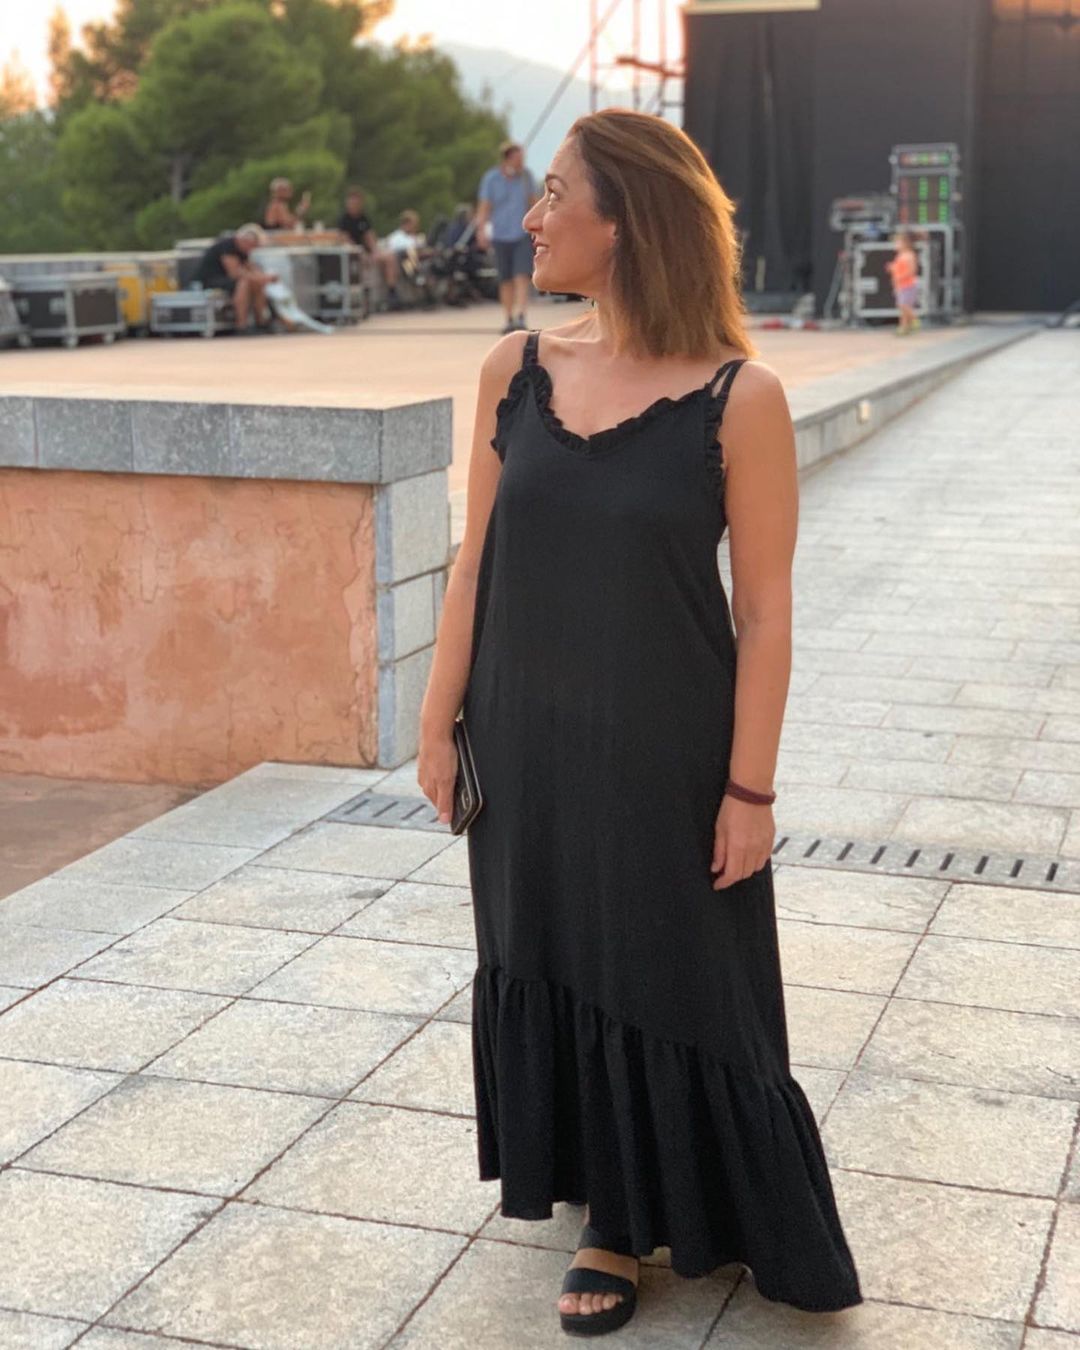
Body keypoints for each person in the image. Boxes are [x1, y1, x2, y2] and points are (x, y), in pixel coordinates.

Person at [417, 107, 863, 1336]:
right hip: (523, 737)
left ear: (628, 223)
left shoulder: (740, 397)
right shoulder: (514, 369)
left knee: (665, 972)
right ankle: (597, 1193)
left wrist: (750, 790)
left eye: (557, 194)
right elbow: (474, 562)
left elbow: (764, 614)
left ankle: (635, 1217)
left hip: (666, 749)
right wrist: (437, 721)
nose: (531, 216)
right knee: (549, 951)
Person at [476, 140, 540, 333]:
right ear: (507, 159)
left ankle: (521, 316)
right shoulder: (491, 179)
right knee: (505, 279)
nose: (521, 163)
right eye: (518, 159)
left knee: (521, 275)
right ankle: (509, 318)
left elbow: (534, 203)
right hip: (500, 235)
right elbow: (484, 207)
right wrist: (481, 230)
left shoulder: (526, 177)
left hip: (521, 234)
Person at [192, 224, 277, 332]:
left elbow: (251, 268)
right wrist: (260, 278)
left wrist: (263, 277)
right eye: (252, 246)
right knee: (244, 283)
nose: (251, 249)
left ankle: (261, 322)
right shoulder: (228, 246)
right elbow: (235, 273)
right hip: (209, 280)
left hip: (225, 280)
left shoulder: (243, 250)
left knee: (256, 283)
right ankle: (241, 325)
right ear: (244, 240)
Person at [337, 185, 400, 302]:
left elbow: (369, 236)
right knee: (362, 261)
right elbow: (345, 239)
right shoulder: (344, 220)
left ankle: (392, 291)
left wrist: (375, 251)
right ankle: (364, 296)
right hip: (354, 252)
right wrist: (361, 252)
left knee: (390, 257)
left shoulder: (363, 218)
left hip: (367, 251)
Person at [886, 230, 920, 335]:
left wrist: (901, 277)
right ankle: (904, 327)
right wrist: (892, 268)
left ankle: (914, 320)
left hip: (908, 285)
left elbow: (912, 270)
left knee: (905, 306)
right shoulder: (899, 256)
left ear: (905, 243)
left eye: (898, 242)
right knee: (902, 307)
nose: (896, 245)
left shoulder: (909, 255)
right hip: (900, 286)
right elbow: (898, 268)